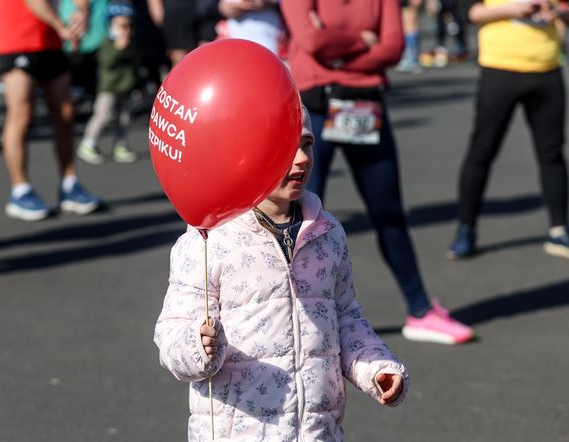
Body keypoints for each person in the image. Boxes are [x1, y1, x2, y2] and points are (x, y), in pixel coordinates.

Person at [154, 107, 408, 440]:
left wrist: (376, 367)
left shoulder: (327, 233)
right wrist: (197, 345)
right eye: (284, 148)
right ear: (246, 154)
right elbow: (172, 332)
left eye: (306, 144)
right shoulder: (209, 239)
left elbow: (345, 317)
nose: (301, 159)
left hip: (317, 432)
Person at [281, 0, 474, 344]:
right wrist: (362, 41)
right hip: (317, 107)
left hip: (365, 104)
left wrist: (336, 49)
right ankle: (289, 319)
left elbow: (393, 46)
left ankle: (420, 311)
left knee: (389, 214)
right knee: (299, 218)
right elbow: (310, 42)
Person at [447, 0, 569, 259]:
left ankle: (559, 230)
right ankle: (466, 229)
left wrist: (557, 12)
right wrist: (513, 10)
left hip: (547, 70)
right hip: (500, 70)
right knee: (482, 151)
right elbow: (471, 12)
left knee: (552, 153)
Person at [0, 0, 100, 221]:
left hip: (51, 41)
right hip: (17, 39)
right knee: (21, 115)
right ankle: (20, 190)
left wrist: (82, 11)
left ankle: (69, 184)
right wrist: (61, 26)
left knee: (65, 112)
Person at [77, 0, 140, 164]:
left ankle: (120, 145)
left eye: (128, 26)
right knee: (102, 115)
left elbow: (135, 64)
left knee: (123, 118)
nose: (126, 30)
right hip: (108, 87)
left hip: (125, 86)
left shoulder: (132, 43)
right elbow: (107, 63)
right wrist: (118, 49)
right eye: (121, 26)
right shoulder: (108, 43)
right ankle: (88, 142)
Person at [216, 0, 286, 57]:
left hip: (269, 37)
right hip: (239, 39)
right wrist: (237, 7)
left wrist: (267, 2)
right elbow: (224, 7)